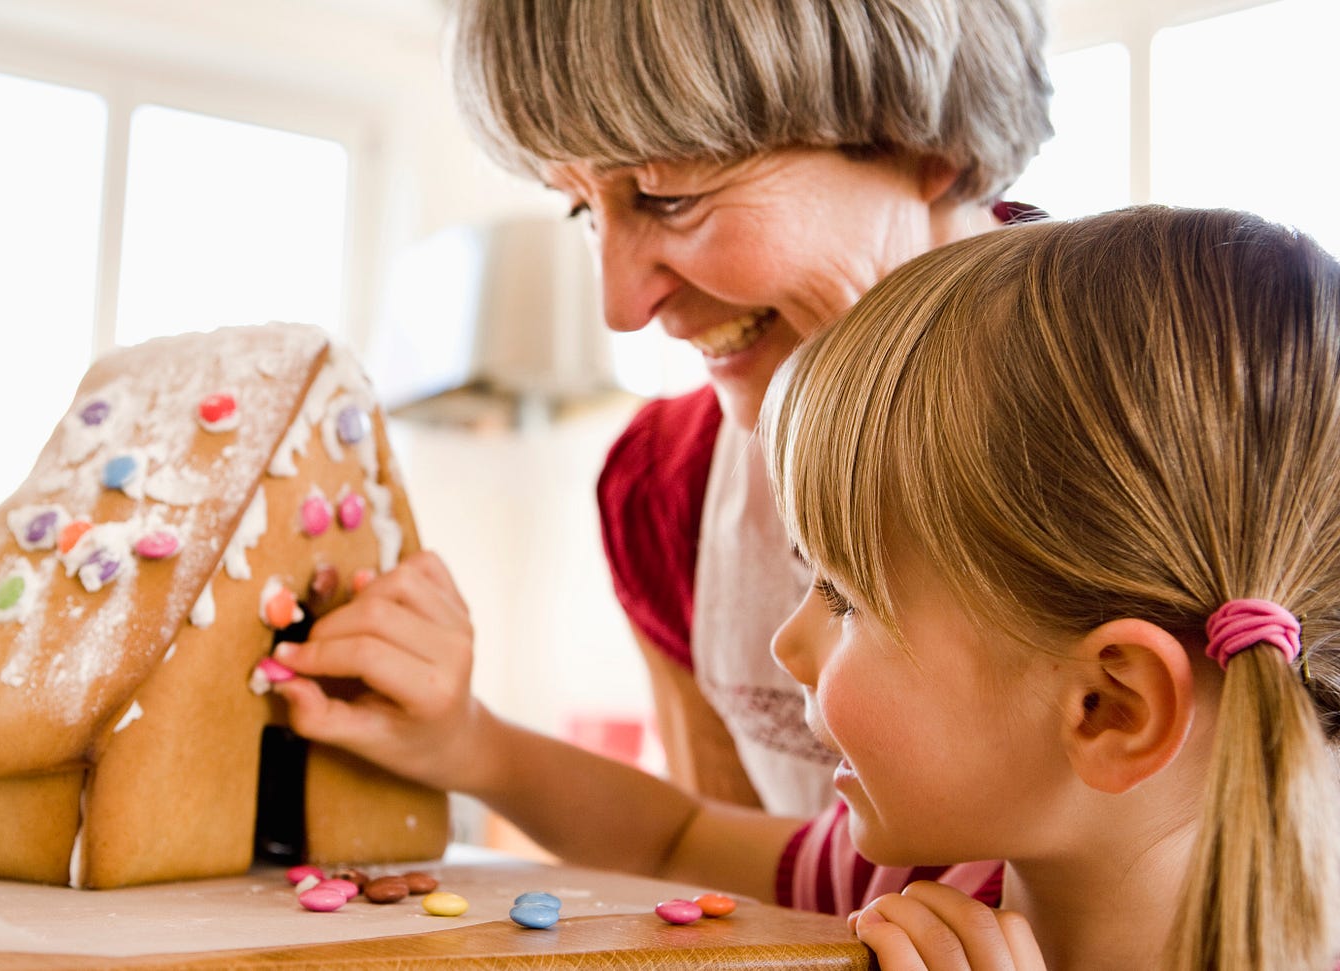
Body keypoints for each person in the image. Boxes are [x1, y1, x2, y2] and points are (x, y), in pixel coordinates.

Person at [274, 205, 1340, 969]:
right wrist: (469, 741)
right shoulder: (939, 874)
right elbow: (675, 839)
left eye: (843, 596)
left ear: (1107, 706)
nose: (789, 643)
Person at [450, 0, 1053, 817]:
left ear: (924, 146)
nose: (622, 306)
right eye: (585, 211)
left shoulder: (1178, 426)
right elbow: (728, 880)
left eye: (669, 195)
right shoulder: (663, 488)